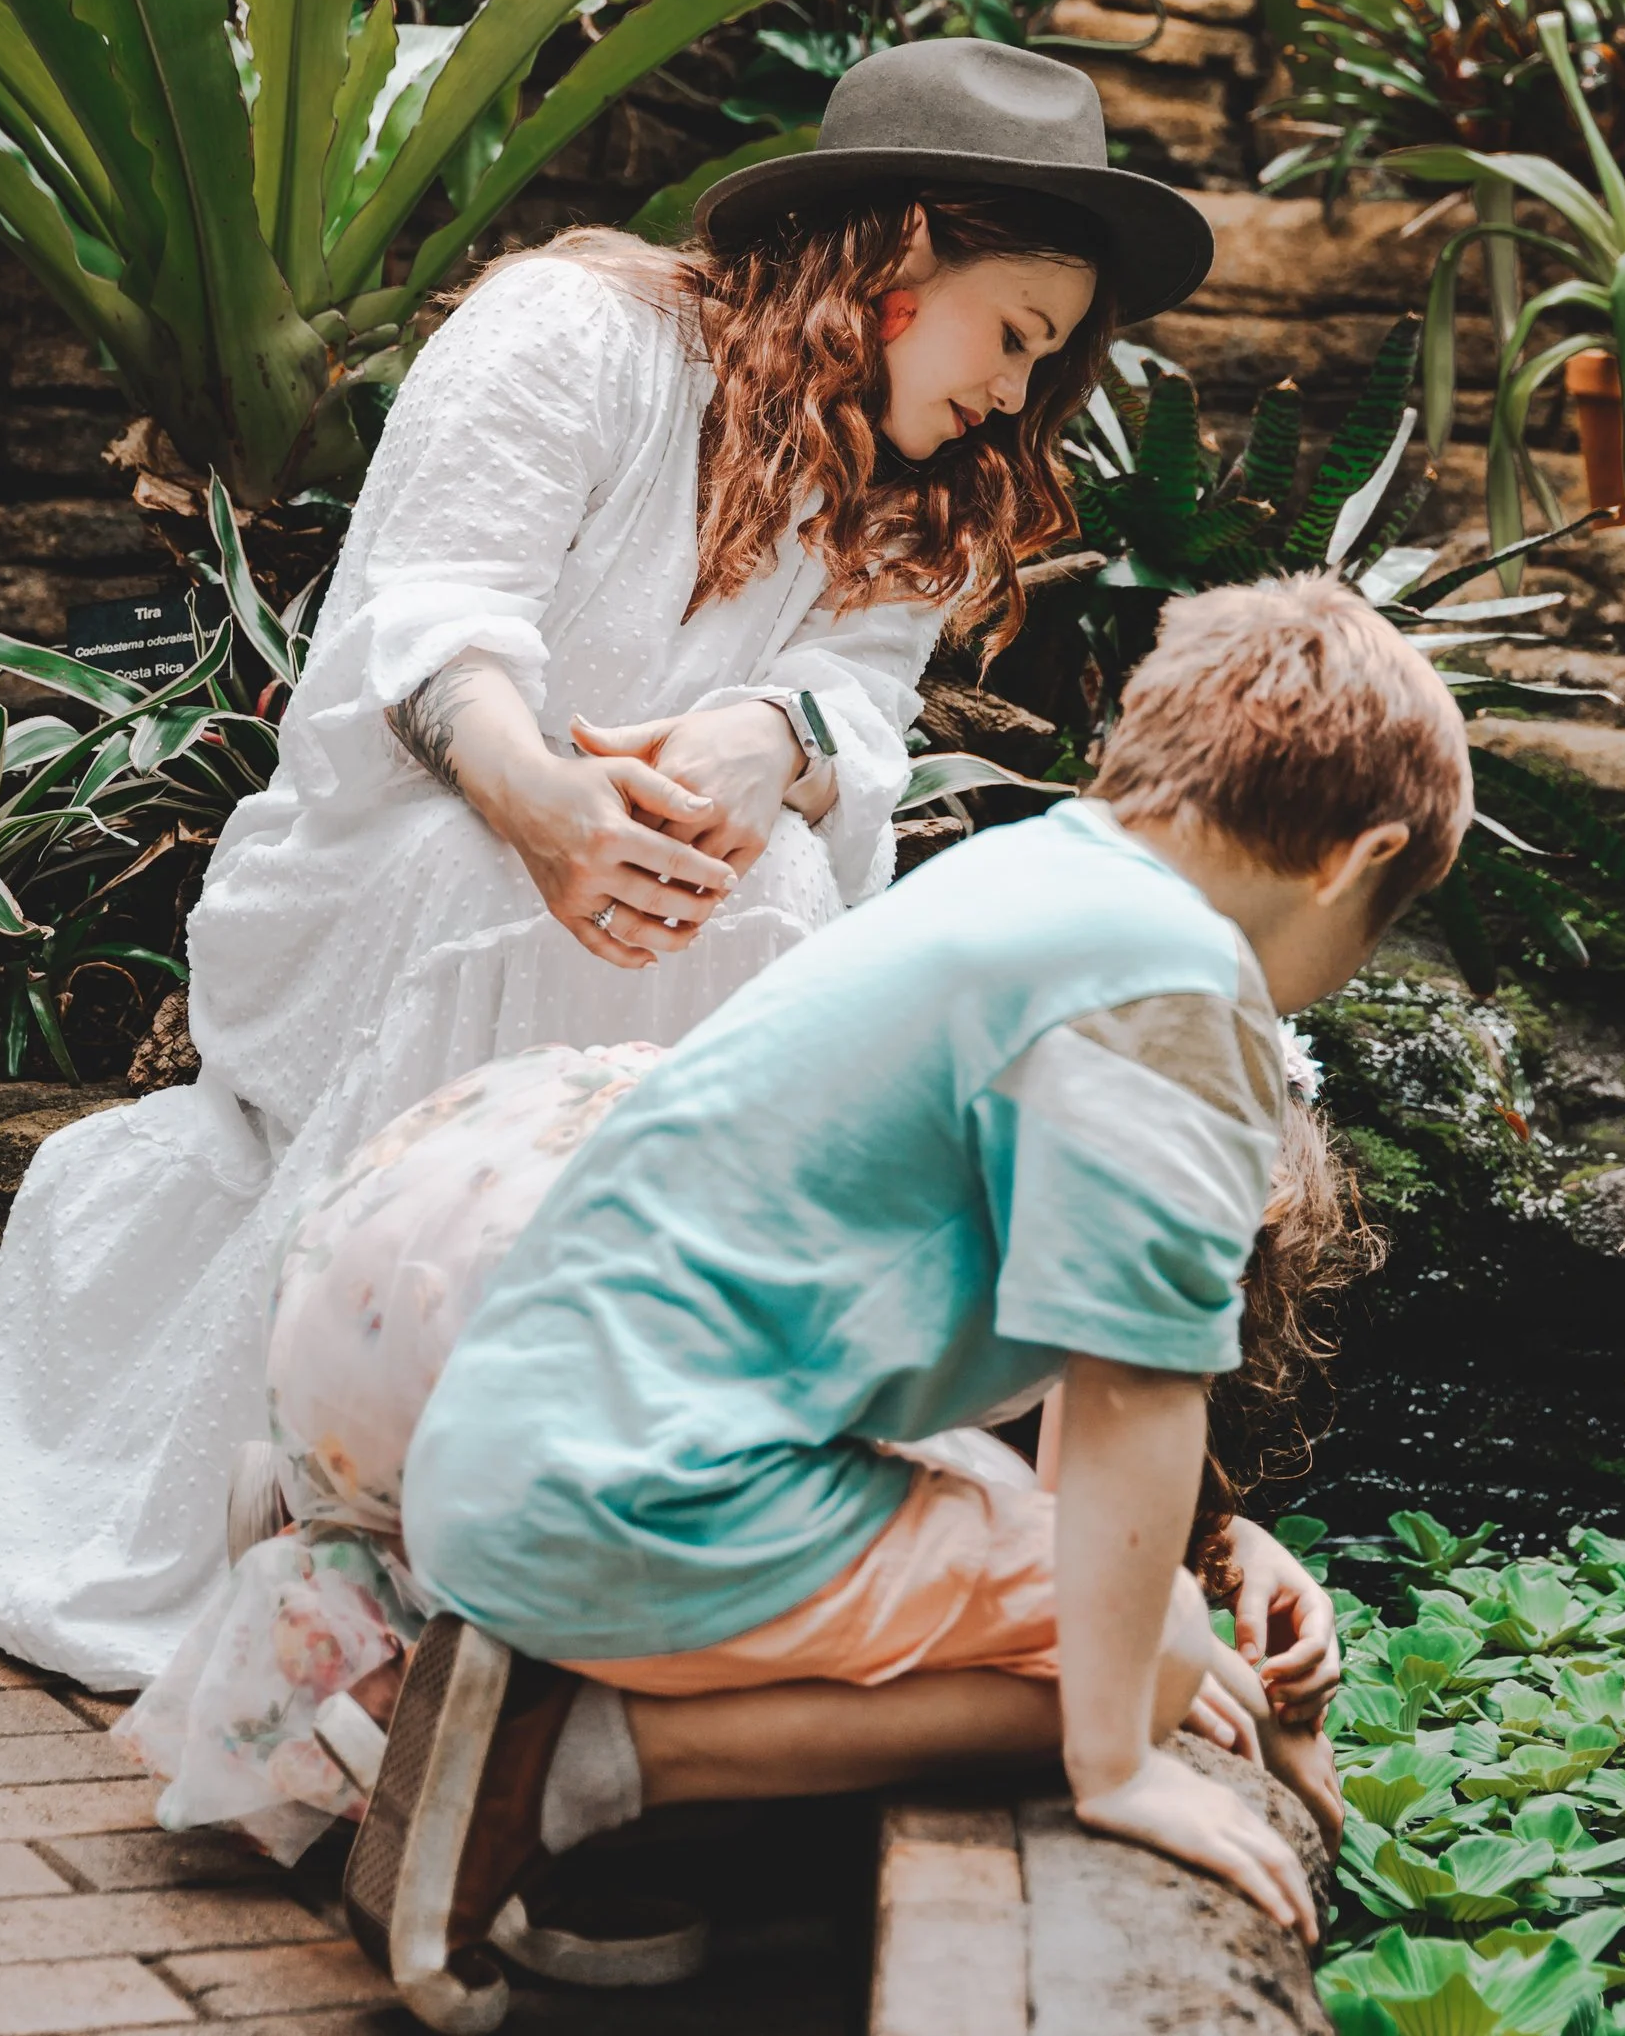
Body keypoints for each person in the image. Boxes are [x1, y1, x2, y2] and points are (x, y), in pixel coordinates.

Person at [0, 40, 1218, 1691]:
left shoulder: (915, 489)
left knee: (780, 891)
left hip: (666, 907)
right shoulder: (573, 332)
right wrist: (543, 798)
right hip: (376, 879)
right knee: (491, 879)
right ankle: (351, 1509)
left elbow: (864, 705)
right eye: (1017, 336)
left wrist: (777, 733)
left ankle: (646, 1484)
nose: (1014, 397)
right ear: (904, 259)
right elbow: (426, 622)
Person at [345, 575, 1473, 2031]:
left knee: (1137, 1639)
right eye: (1380, 924)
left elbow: (1088, 1391)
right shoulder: (1175, 984)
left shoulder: (1033, 881)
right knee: (1156, 1679)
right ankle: (586, 1765)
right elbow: (1136, 1386)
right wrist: (1119, 1761)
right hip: (628, 1500)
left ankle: (589, 1752)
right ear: (1361, 857)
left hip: (528, 1456)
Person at [113, 1042, 1361, 1868]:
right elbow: (1064, 1548)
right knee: (1116, 1667)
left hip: (378, 1316)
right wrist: (1169, 1657)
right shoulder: (1083, 1261)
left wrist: (1226, 1538)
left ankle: (342, 1534)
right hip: (563, 1419)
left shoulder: (947, 1084)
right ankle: (572, 1759)